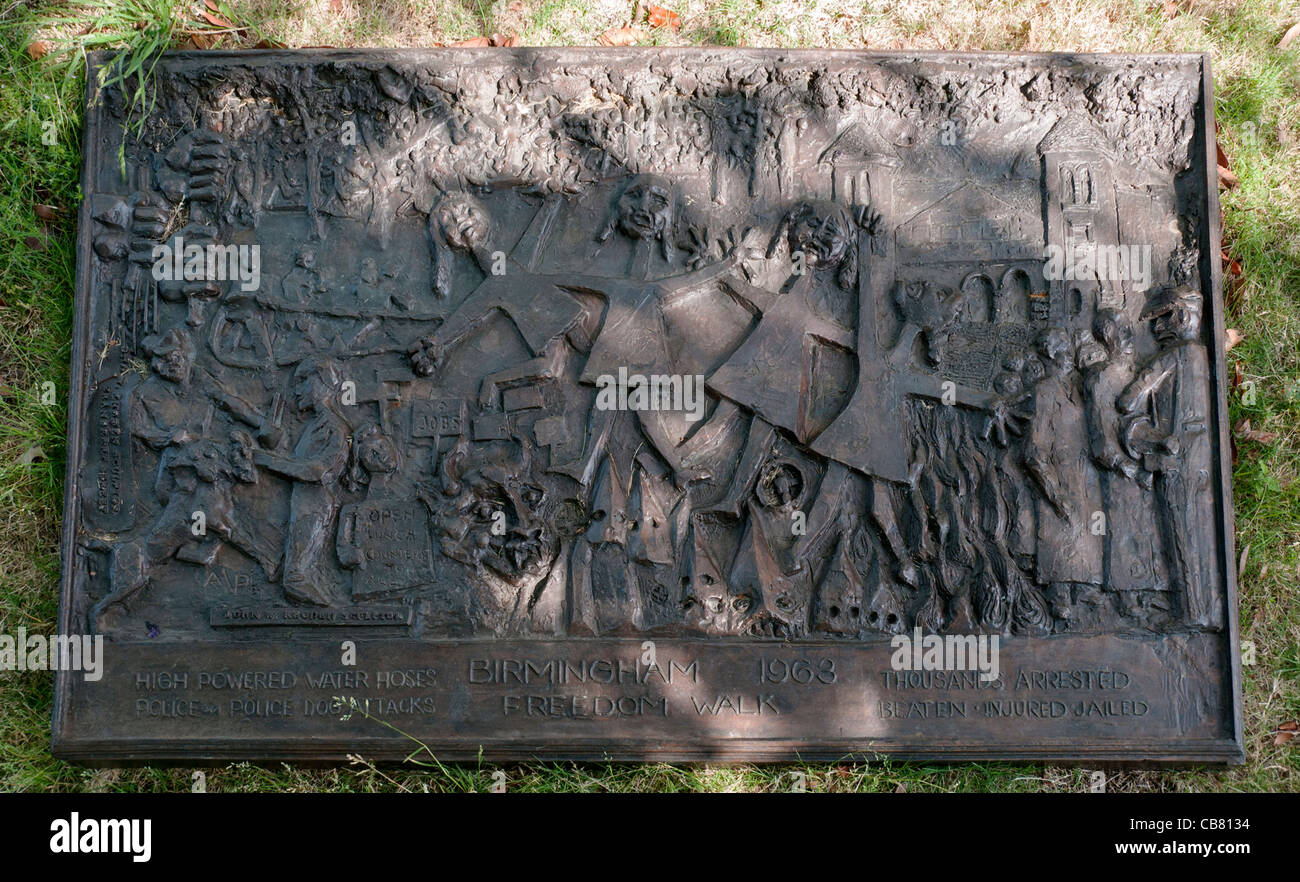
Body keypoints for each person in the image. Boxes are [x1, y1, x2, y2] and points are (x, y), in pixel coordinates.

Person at [254, 357, 350, 605]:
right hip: (302, 503)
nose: (297, 389)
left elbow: (318, 471)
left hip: (314, 505)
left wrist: (265, 460)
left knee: (295, 576)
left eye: (303, 382)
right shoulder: (314, 426)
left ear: (321, 383)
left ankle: (331, 611)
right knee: (292, 571)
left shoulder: (334, 428)